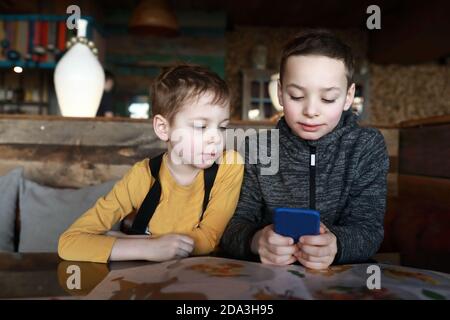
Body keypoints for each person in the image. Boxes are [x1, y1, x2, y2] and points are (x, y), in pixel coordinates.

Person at [220, 30, 389, 270]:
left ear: (349, 96)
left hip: (342, 281)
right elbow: (232, 227)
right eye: (296, 96)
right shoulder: (256, 148)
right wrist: (255, 241)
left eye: (328, 99)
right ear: (280, 92)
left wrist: (337, 245)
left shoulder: (366, 147)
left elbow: (368, 230)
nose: (311, 110)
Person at [59, 64, 244, 263]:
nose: (216, 138)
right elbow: (69, 243)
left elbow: (208, 238)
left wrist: (128, 242)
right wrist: (147, 248)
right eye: (201, 126)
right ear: (163, 128)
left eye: (223, 127)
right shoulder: (142, 175)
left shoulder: (228, 166)